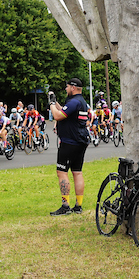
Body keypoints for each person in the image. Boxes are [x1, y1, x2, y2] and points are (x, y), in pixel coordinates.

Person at [49, 78, 90, 216]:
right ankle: (78, 205)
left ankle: (65, 205)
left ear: (73, 87)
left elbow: (57, 115)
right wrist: (56, 103)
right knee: (77, 172)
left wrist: (51, 104)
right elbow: (65, 110)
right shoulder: (81, 102)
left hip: (69, 142)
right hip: (80, 141)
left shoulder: (74, 102)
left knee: (62, 172)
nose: (66, 89)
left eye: (67, 87)